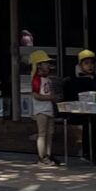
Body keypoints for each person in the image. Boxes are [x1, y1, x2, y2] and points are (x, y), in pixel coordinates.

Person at [19, 31, 58, 164]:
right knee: (42, 133)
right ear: (39, 65)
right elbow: (35, 95)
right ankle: (42, 157)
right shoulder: (35, 79)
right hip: (41, 110)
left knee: (50, 133)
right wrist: (50, 98)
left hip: (49, 109)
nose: (48, 65)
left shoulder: (48, 79)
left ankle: (48, 154)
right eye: (45, 63)